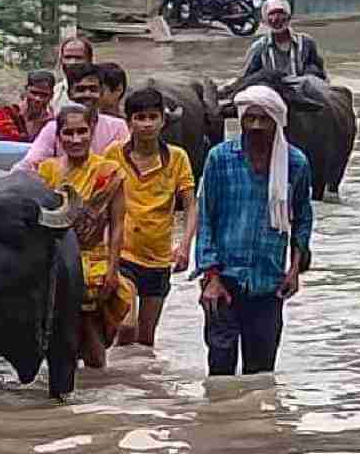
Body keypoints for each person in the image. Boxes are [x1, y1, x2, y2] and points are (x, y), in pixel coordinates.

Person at [194, 86, 313, 376]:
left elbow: (303, 221)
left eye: (264, 119)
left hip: (268, 282)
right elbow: (205, 218)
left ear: (277, 122)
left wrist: (294, 270)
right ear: (241, 120)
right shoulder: (219, 159)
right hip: (223, 281)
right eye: (250, 119)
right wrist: (210, 277)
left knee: (261, 374)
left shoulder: (295, 163)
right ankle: (221, 421)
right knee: (220, 369)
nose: (257, 126)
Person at [37, 104, 133, 368]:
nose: (76, 139)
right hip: (56, 259)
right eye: (69, 133)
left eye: (82, 131)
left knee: (91, 331)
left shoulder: (109, 172)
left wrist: (113, 270)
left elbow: (117, 225)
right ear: (58, 136)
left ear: (92, 132)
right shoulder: (47, 171)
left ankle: (95, 388)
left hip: (92, 260)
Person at [104, 88, 196, 348]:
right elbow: (99, 196)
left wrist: (185, 246)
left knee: (145, 340)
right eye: (140, 117)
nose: (146, 124)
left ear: (163, 121)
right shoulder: (113, 154)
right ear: (129, 122)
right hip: (123, 254)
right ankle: (114, 384)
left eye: (152, 117)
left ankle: (138, 386)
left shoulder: (177, 158)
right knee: (126, 326)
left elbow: (190, 205)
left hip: (158, 258)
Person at [13, 63, 129, 172]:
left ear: (101, 92)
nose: (87, 94)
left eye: (93, 89)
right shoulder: (53, 128)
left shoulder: (117, 127)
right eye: (80, 89)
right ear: (69, 93)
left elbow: (126, 168)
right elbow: (28, 166)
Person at [243, 0, 327, 80]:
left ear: (289, 17)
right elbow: (248, 77)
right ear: (265, 20)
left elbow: (319, 71)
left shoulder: (306, 42)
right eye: (271, 14)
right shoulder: (258, 47)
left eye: (281, 13)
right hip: (272, 90)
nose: (276, 18)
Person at [0, 70, 55, 143]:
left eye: (44, 95)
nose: (37, 99)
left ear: (51, 96)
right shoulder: (5, 113)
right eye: (34, 93)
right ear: (26, 91)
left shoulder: (52, 123)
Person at [50, 36, 95, 111]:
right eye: (68, 57)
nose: (72, 62)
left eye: (78, 58)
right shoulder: (55, 92)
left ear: (89, 60)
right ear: (61, 60)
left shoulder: (100, 93)